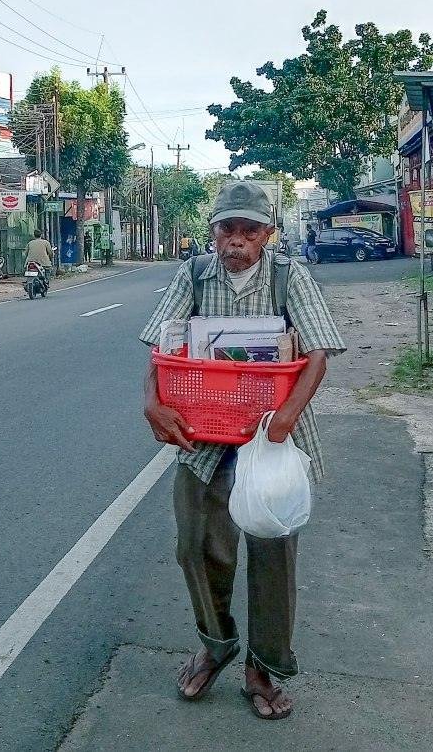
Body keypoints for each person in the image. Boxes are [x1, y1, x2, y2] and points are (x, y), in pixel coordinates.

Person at [139, 181, 346, 720]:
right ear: (213, 233)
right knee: (196, 543)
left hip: (271, 436)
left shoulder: (288, 275)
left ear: (267, 235)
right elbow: (162, 349)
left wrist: (284, 422)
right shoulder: (193, 274)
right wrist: (151, 405)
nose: (236, 241)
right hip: (203, 433)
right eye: (226, 229)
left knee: (272, 550)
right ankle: (216, 643)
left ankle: (264, 666)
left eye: (248, 231)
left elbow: (319, 351)